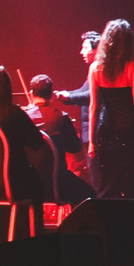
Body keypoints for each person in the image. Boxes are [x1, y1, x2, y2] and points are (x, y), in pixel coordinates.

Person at [83, 20, 134, 200]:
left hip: (107, 133)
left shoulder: (95, 68)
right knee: (128, 186)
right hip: (130, 132)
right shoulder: (130, 66)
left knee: (107, 186)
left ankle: (107, 225)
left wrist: (91, 141)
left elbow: (93, 107)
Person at [0, 66, 51, 210]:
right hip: (13, 181)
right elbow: (37, 143)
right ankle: (33, 231)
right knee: (37, 183)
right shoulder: (14, 114)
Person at [25, 75, 94, 204]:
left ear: (31, 93)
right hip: (56, 182)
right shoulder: (61, 118)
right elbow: (76, 152)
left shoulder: (22, 118)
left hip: (27, 184)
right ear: (51, 94)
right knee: (89, 195)